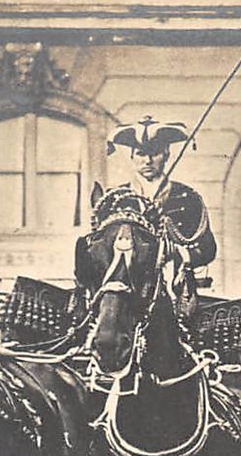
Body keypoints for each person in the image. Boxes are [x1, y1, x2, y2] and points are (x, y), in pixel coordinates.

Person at [91, 118, 217, 312]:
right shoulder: (115, 199)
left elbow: (208, 248)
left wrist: (176, 253)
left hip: (175, 287)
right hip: (125, 286)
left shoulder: (187, 198)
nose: (147, 161)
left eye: (155, 154)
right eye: (141, 154)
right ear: (132, 158)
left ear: (166, 155)